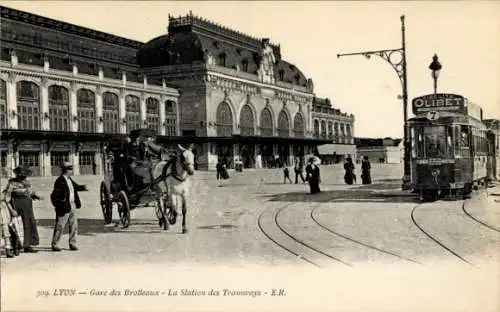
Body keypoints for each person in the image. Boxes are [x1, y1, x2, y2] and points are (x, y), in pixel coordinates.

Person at [3, 166, 42, 253]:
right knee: (19, 226)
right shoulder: (12, 183)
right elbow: (7, 198)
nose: (24, 177)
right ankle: (18, 245)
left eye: (25, 175)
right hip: (18, 204)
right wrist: (11, 210)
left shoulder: (26, 182)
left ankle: (28, 245)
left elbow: (29, 192)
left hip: (28, 205)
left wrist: (35, 196)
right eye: (22, 175)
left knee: (31, 223)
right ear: (18, 174)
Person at [50, 162, 88, 252]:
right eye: (70, 169)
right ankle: (55, 244)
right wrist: (59, 205)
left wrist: (83, 187)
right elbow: (54, 196)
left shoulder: (69, 179)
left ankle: (72, 243)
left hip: (72, 205)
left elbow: (75, 187)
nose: (72, 171)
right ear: (66, 170)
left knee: (74, 225)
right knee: (60, 226)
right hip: (64, 206)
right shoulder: (59, 181)